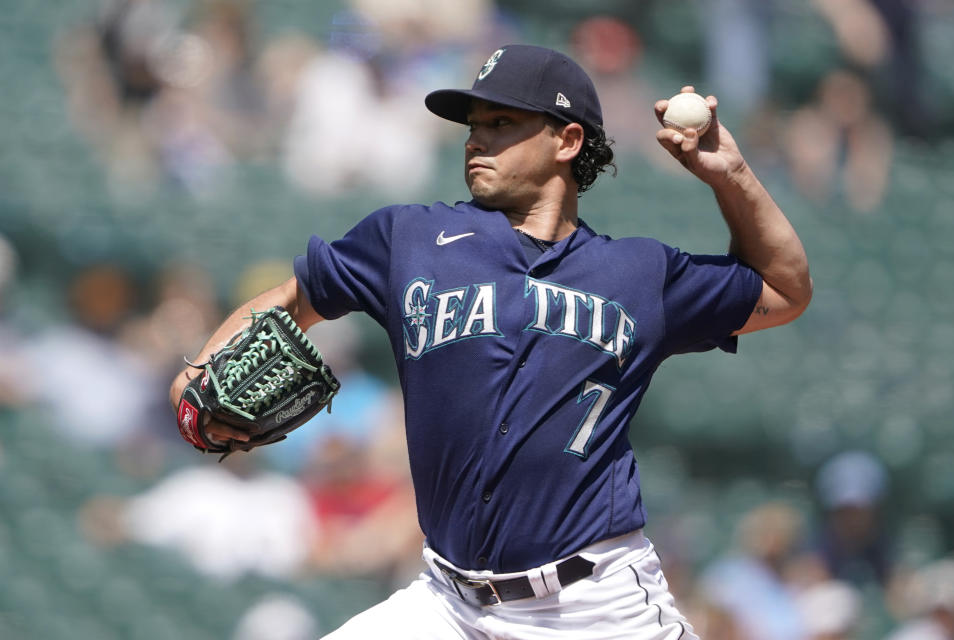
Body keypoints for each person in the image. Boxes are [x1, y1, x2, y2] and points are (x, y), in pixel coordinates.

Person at [169, 44, 812, 638]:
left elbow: (785, 291)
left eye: (502, 124)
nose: (477, 140)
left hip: (592, 607)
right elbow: (290, 301)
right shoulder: (409, 239)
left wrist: (729, 175)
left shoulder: (643, 275)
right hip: (447, 602)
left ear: (568, 140)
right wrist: (194, 370)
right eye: (474, 124)